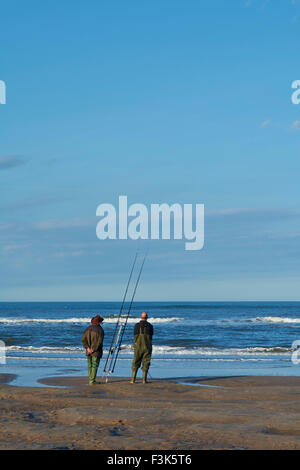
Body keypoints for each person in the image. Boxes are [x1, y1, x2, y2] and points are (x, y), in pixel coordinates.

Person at [130, 312, 153, 384]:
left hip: (137, 347)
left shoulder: (136, 326)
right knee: (146, 362)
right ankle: (144, 380)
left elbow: (135, 336)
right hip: (147, 347)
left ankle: (133, 380)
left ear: (141, 317)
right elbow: (151, 336)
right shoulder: (150, 326)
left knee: (135, 362)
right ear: (147, 317)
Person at [82, 315, 104, 385]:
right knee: (94, 365)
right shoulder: (100, 330)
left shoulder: (87, 329)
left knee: (90, 365)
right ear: (99, 322)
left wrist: (87, 348)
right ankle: (92, 381)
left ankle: (91, 380)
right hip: (96, 351)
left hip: (88, 351)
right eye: (101, 321)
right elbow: (99, 342)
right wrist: (93, 349)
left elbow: (83, 340)